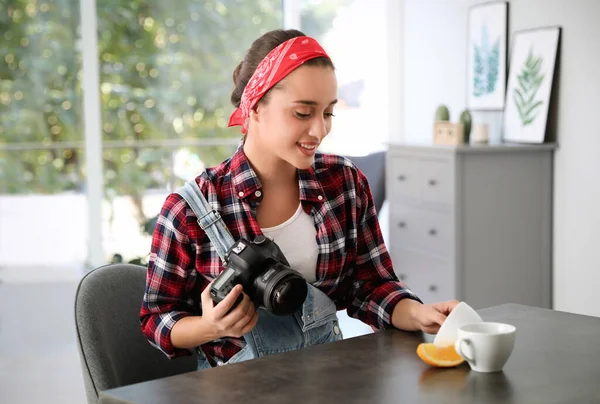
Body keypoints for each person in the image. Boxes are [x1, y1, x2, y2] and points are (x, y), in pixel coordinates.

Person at [140, 28, 458, 368]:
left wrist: (419, 313)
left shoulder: (345, 184)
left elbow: (372, 286)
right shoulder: (191, 209)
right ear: (256, 106)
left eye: (328, 113)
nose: (320, 130)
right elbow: (156, 319)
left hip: (326, 380)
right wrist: (208, 327)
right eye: (303, 114)